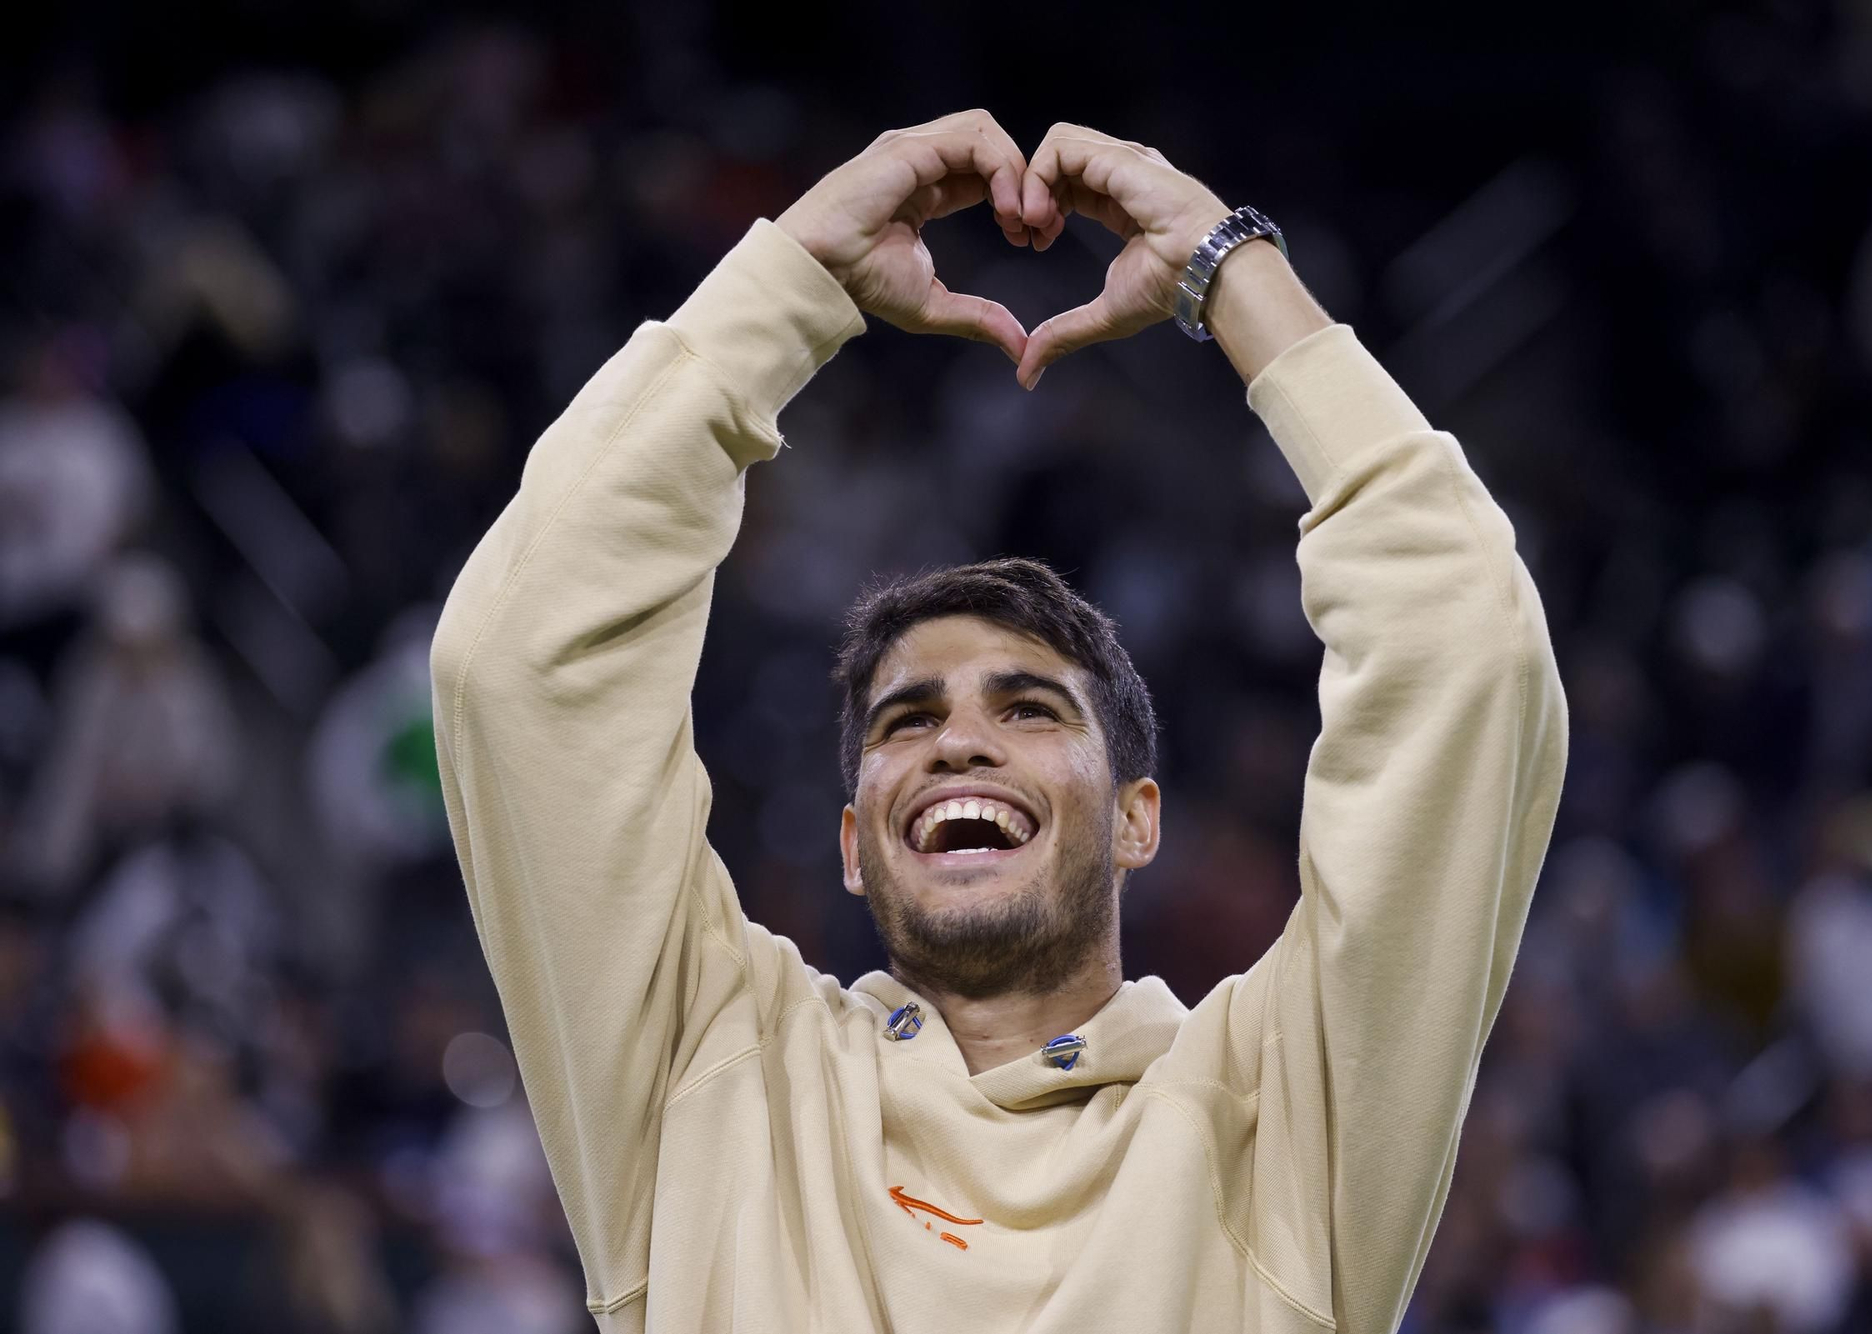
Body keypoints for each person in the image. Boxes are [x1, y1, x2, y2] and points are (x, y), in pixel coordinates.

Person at [432, 110, 1568, 1333]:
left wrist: (1228, 266)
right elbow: (521, 665)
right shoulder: (715, 1076)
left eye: (1027, 707)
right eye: (904, 719)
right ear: (855, 840)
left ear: (1139, 819)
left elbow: (1467, 650)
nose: (955, 741)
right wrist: (796, 273)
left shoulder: (1273, 1113)